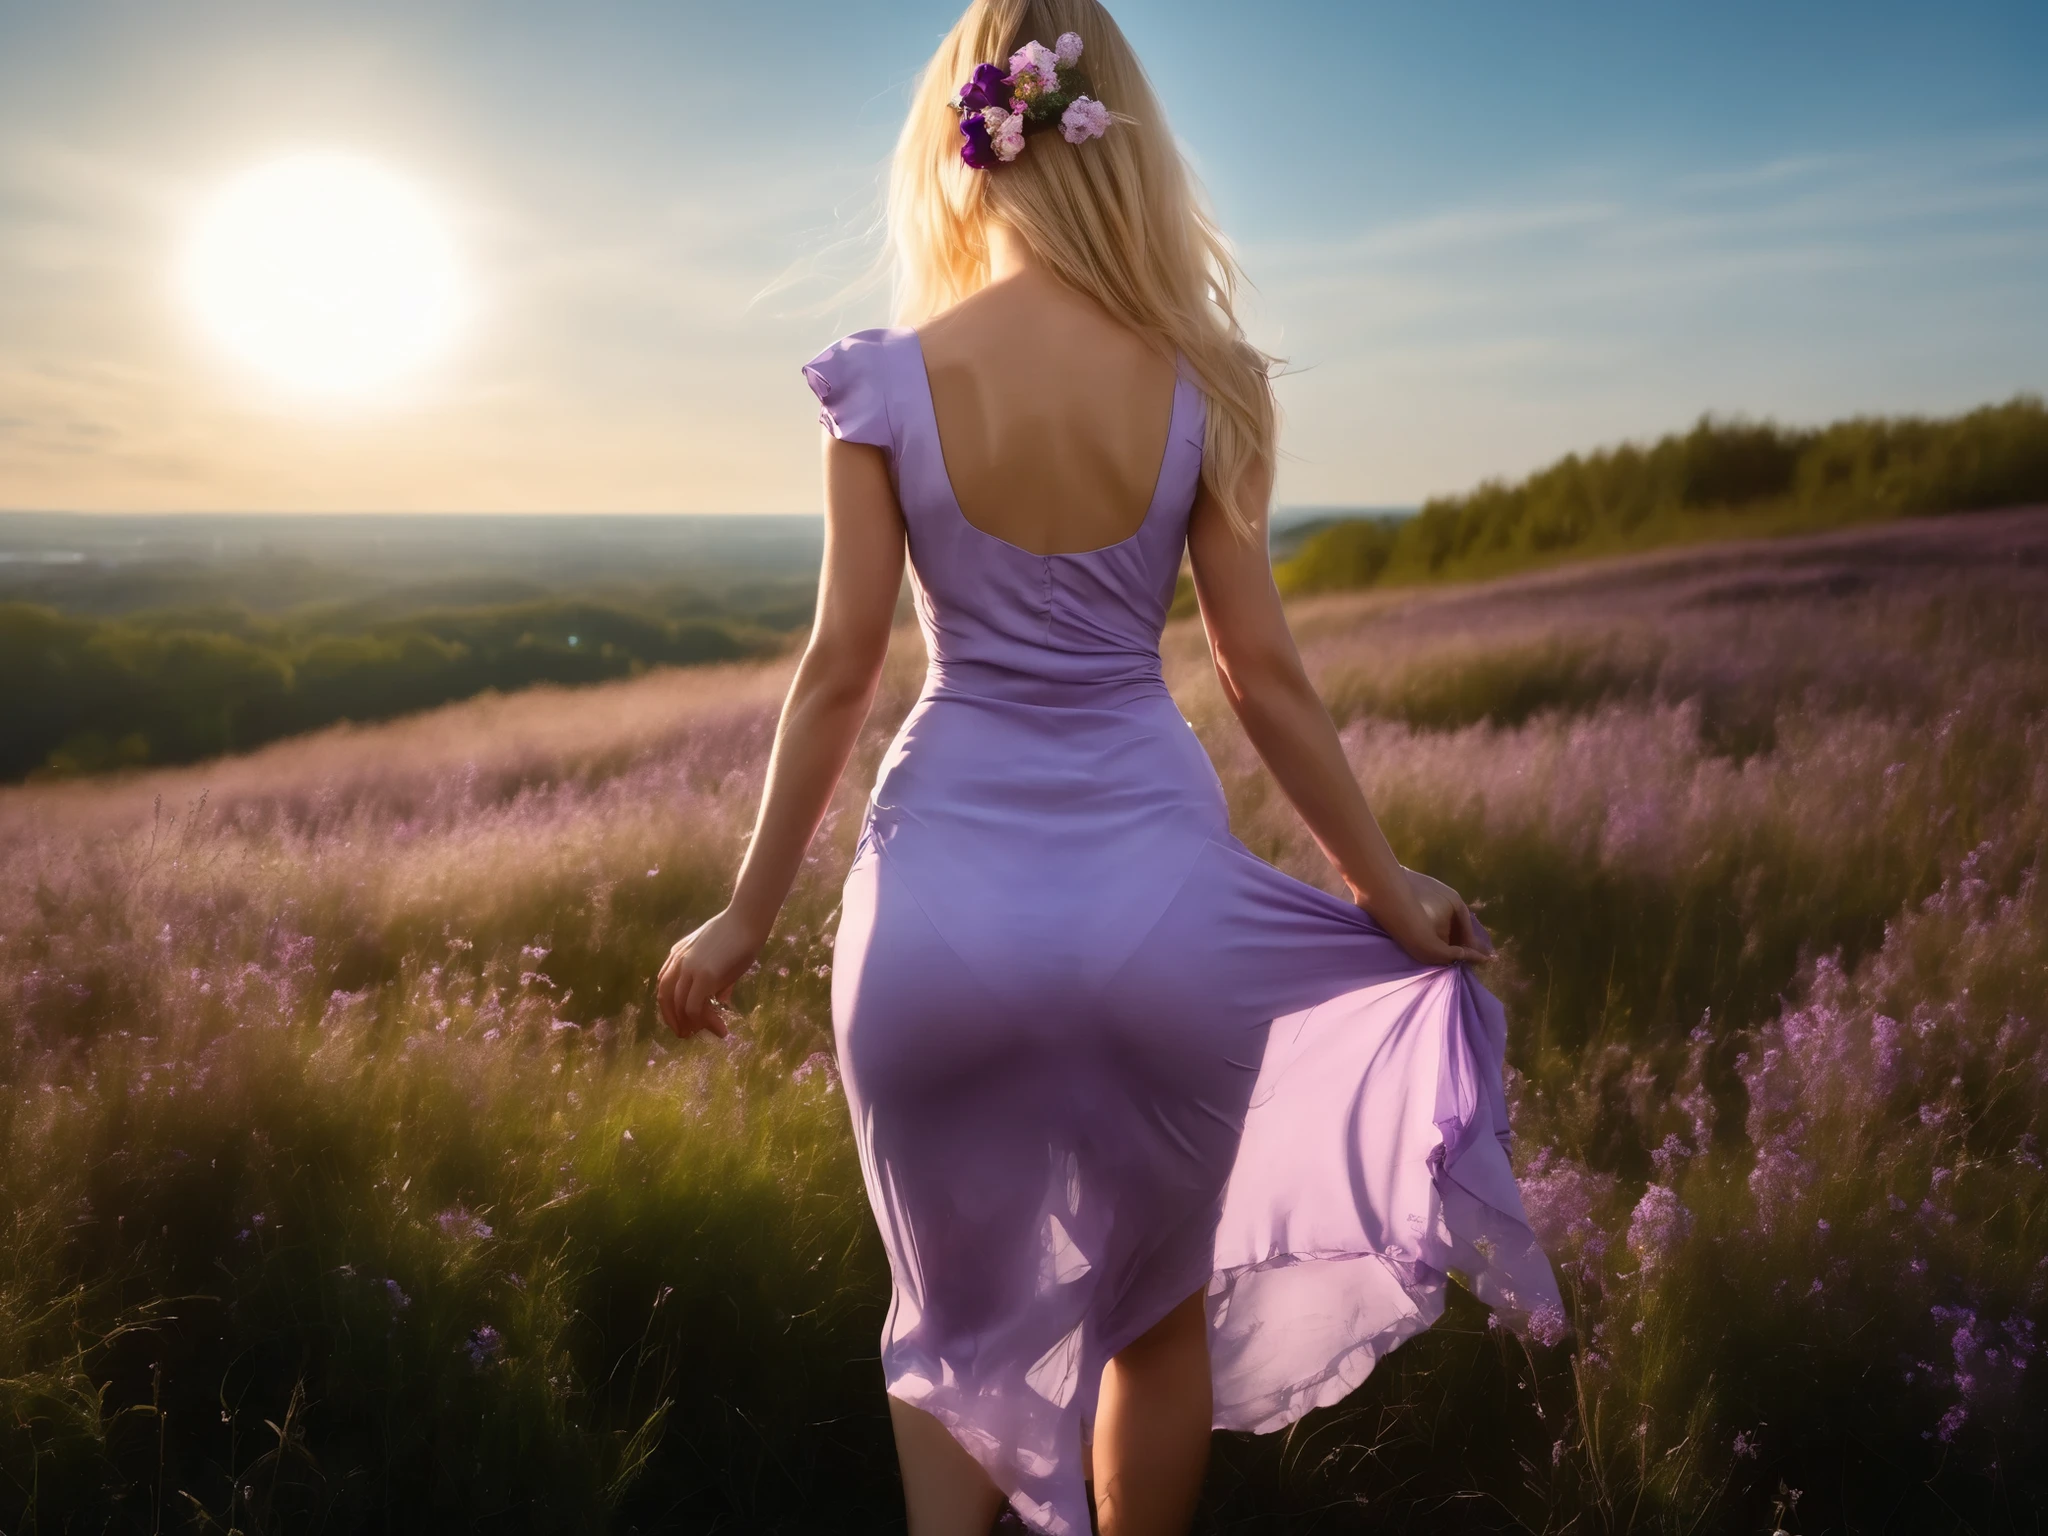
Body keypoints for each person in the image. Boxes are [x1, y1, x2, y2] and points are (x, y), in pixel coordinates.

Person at [657, 3, 1562, 1532]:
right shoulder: (1205, 387)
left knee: (942, 1328)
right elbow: (1262, 671)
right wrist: (1381, 886)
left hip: (936, 908)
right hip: (1159, 912)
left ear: (966, 141)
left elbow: (839, 676)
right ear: (1116, 135)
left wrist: (744, 914)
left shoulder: (882, 383)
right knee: (1155, 1318)